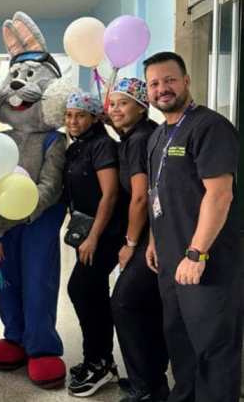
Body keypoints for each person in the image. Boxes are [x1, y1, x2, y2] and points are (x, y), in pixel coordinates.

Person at [144, 51, 242, 402]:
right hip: (171, 263)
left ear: (186, 81)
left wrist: (196, 253)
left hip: (206, 263)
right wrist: (154, 241)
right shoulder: (157, 137)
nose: (162, 89)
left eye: (169, 80)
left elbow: (219, 195)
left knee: (213, 350)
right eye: (154, 83)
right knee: (181, 346)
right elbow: (159, 192)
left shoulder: (210, 127)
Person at [107, 78, 169, 402]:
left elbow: (141, 198)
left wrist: (130, 245)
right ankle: (151, 380)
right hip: (157, 234)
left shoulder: (137, 139)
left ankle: (146, 386)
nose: (116, 109)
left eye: (124, 103)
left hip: (149, 238)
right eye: (112, 103)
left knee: (125, 303)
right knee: (147, 306)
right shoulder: (144, 134)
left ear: (141, 106)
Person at [63, 91, 124, 397]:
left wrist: (94, 237)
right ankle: (100, 361)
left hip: (105, 234)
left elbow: (110, 194)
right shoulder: (77, 146)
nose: (73, 121)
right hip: (86, 234)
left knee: (81, 289)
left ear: (94, 118)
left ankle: (99, 361)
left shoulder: (101, 146)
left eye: (80, 115)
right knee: (94, 292)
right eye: (69, 115)